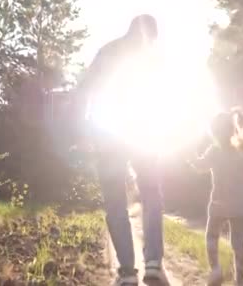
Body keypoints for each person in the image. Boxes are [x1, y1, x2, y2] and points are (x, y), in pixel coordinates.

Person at [73, 14, 169, 286]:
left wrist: (82, 130)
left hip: (107, 133)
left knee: (115, 199)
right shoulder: (152, 58)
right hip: (142, 130)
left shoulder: (107, 51)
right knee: (151, 193)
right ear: (151, 34)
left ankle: (127, 272)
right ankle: (152, 263)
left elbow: (84, 90)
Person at [189, 109, 243, 286]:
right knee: (238, 241)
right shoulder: (239, 154)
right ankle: (240, 279)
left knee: (211, 236)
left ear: (214, 133)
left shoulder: (214, 151)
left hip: (219, 202)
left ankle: (216, 270)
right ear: (232, 130)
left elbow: (200, 166)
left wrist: (190, 155)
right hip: (239, 203)